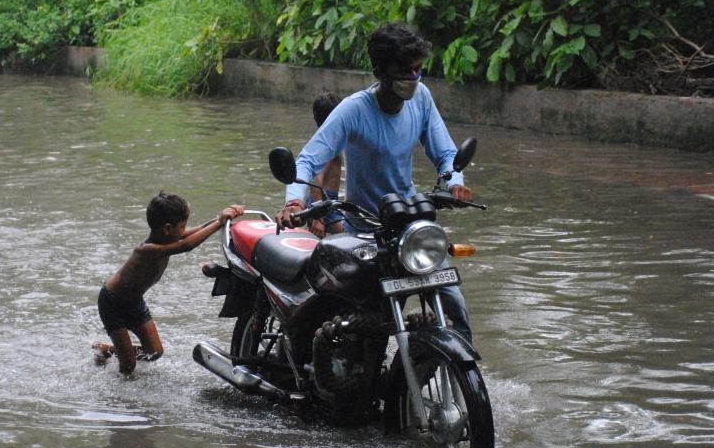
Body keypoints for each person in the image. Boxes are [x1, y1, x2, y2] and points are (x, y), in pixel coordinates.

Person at [275, 22, 474, 340]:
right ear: (382, 71)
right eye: (404, 70)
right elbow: (309, 159)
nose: (413, 78)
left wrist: (454, 182)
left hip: (408, 226)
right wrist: (295, 200)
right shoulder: (353, 110)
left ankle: (458, 372)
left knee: (454, 304)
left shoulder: (421, 98)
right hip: (364, 232)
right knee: (367, 325)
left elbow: (446, 154)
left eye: (417, 69)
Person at [93, 192, 245, 374]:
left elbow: (187, 236)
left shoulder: (169, 237)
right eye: (183, 225)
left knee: (154, 352)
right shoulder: (147, 250)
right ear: (167, 228)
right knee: (128, 366)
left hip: (134, 301)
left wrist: (220, 219)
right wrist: (219, 222)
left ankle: (107, 349)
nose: (185, 229)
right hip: (112, 302)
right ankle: (119, 396)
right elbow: (186, 245)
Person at [308, 92, 344, 238]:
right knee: (354, 240)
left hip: (325, 203)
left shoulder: (325, 140)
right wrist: (318, 217)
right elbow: (316, 179)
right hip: (324, 206)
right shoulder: (328, 145)